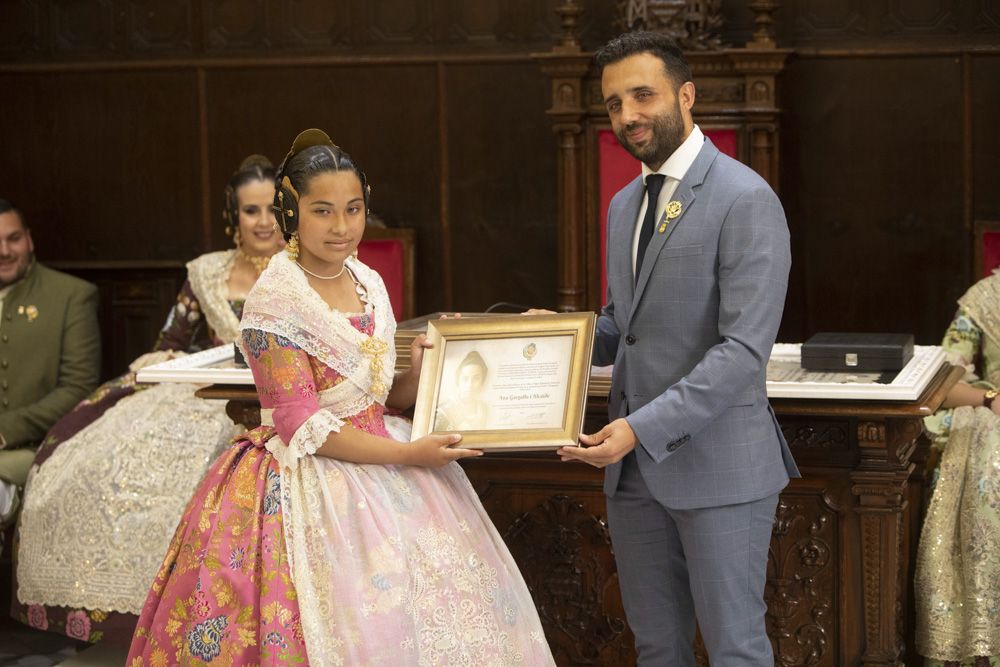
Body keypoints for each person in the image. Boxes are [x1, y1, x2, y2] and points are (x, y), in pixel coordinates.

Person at [127, 129, 555, 665]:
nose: (342, 226)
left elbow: (379, 397)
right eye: (323, 211)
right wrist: (408, 455)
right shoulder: (273, 301)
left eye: (353, 209)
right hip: (310, 477)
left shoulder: (367, 280)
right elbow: (302, 425)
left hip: (385, 456)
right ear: (291, 213)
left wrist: (418, 373)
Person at [557, 32, 798, 665]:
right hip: (632, 478)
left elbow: (743, 354)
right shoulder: (622, 204)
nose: (627, 115)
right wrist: (555, 340)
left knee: (735, 650)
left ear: (686, 95)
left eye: (643, 95)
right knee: (657, 647)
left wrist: (637, 429)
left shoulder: (745, 199)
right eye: (613, 104)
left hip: (719, 467)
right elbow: (621, 325)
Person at [14, 155, 284, 642]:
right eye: (250, 211)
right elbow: (171, 342)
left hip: (280, 397)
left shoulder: (304, 268)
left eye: (272, 209)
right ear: (234, 218)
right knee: (101, 463)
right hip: (210, 393)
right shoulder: (207, 273)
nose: (263, 222)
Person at [915, 270, 1000, 666]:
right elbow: (940, 379)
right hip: (996, 418)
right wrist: (989, 398)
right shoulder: (985, 299)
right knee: (988, 451)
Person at [0, 199, 100, 535]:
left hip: (37, 449)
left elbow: (78, 389)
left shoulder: (70, 295)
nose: (4, 251)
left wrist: (5, 430)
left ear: (29, 239)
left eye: (13, 239)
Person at [433, 349, 490, 430]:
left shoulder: (484, 409)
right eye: (465, 379)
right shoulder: (443, 412)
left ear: (482, 381)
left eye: (476, 378)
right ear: (458, 380)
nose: (470, 385)